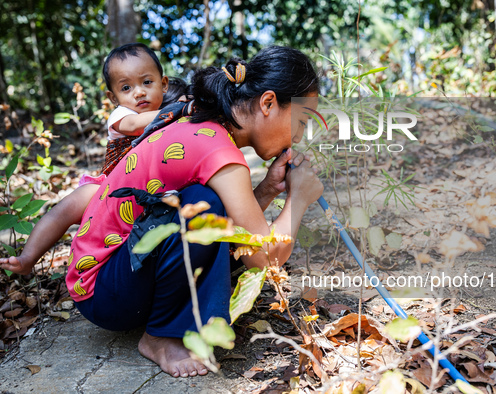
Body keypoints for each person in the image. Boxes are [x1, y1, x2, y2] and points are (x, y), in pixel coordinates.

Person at [64, 45, 323, 378]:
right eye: (300, 121)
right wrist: (298, 198)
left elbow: (237, 231)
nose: (299, 135)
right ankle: (160, 336)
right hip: (104, 293)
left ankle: (171, 318)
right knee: (204, 204)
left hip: (113, 280)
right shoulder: (218, 151)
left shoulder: (205, 128)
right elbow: (263, 258)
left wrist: (269, 189)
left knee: (206, 203)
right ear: (268, 103)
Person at [0, 43, 179, 276]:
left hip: (154, 187)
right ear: (113, 97)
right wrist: (181, 109)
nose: (139, 92)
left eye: (147, 82)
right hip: (111, 185)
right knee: (65, 209)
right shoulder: (123, 115)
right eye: (126, 87)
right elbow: (135, 127)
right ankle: (28, 258)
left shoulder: (171, 111)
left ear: (163, 84)